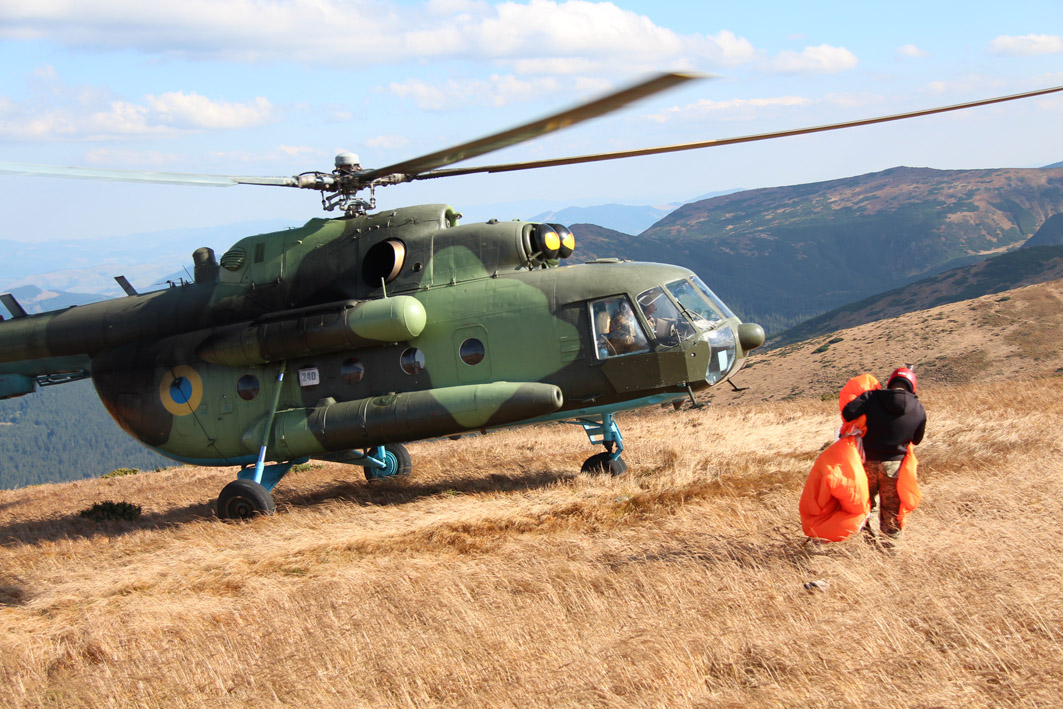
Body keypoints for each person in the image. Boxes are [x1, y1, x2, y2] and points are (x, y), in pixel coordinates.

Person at [841, 366, 926, 548]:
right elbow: (917, 439)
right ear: (912, 386)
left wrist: (867, 398)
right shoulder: (918, 409)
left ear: (891, 382)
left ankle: (868, 545)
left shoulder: (873, 398)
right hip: (895, 467)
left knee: (865, 506)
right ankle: (890, 555)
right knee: (891, 513)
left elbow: (848, 412)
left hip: (866, 464)